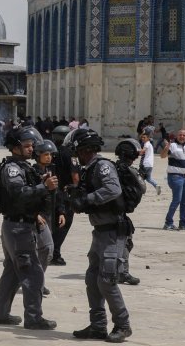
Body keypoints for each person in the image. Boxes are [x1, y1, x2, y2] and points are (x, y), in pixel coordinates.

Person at [0, 126, 58, 330]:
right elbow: (18, 194)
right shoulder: (12, 169)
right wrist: (43, 187)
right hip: (18, 228)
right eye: (26, 146)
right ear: (15, 148)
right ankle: (34, 318)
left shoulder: (24, 167)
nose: (31, 149)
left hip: (20, 225)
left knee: (12, 273)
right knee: (33, 274)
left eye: (31, 146)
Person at [66, 128, 132, 343]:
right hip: (100, 231)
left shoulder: (103, 166)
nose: (76, 156)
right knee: (92, 280)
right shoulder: (89, 168)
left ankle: (123, 325)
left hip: (113, 232)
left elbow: (113, 189)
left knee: (106, 281)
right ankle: (97, 326)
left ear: (86, 150)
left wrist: (88, 199)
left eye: (78, 151)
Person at [113, 139, 147, 287]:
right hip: (118, 213)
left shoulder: (111, 167)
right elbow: (143, 188)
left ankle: (115, 271)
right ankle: (122, 272)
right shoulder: (129, 171)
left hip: (109, 211)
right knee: (124, 242)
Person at [32, 139, 63, 295]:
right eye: (45, 154)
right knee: (46, 249)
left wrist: (61, 212)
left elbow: (56, 193)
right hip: (37, 217)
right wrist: (35, 214)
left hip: (49, 215)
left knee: (44, 251)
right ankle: (35, 281)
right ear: (38, 156)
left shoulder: (51, 171)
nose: (49, 157)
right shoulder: (32, 172)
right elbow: (29, 195)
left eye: (50, 154)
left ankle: (38, 281)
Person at [49, 125, 78, 267]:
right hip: (66, 193)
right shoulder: (71, 154)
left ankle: (49, 250)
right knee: (64, 224)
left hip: (52, 191)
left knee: (53, 223)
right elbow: (75, 176)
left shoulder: (50, 152)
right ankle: (54, 254)